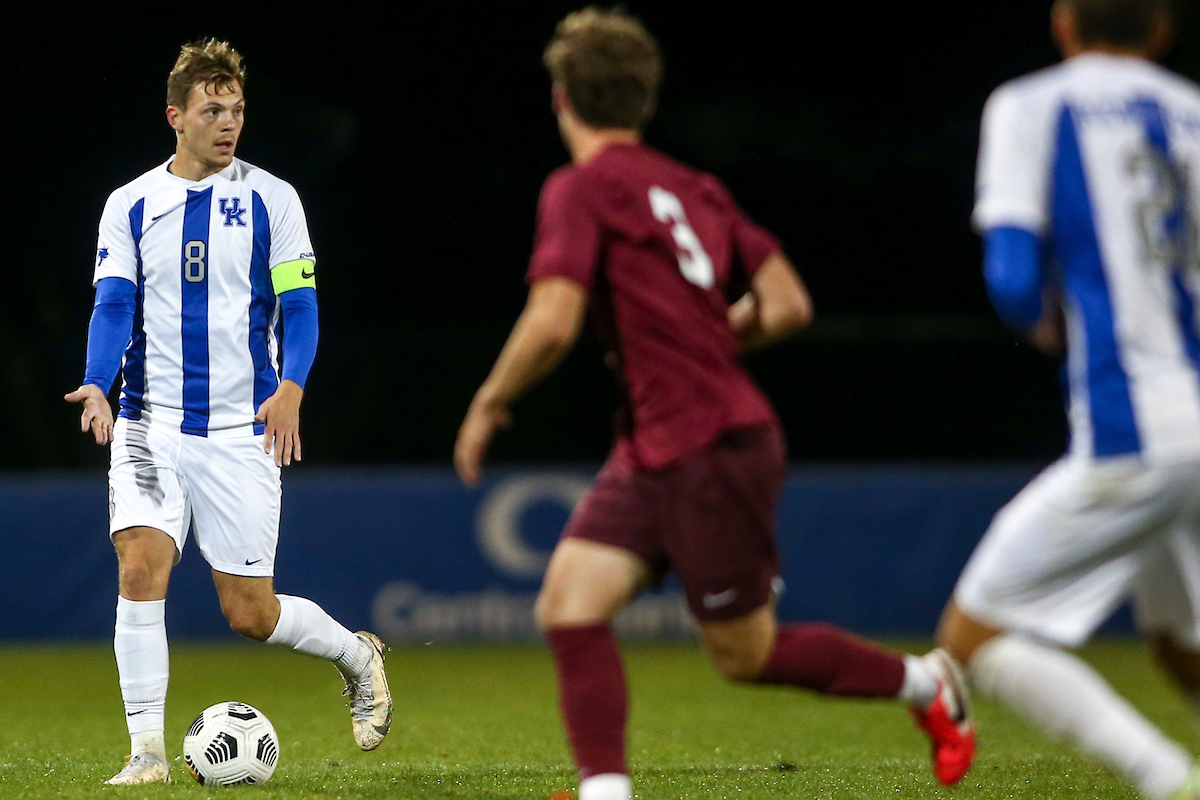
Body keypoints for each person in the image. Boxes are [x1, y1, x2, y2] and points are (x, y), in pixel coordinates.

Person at [453, 9, 975, 800]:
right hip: (666, 440)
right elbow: (790, 302)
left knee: (745, 655)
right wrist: (710, 341)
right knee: (569, 600)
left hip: (708, 443)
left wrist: (490, 399)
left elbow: (553, 320)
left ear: (562, 99)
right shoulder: (692, 185)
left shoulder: (580, 187)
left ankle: (928, 684)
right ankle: (605, 791)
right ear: (644, 101)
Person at [64, 39, 392, 785]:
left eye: (237, 109)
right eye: (213, 110)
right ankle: (146, 754)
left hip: (241, 431)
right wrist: (95, 381)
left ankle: (355, 654)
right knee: (140, 567)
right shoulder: (131, 203)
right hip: (150, 423)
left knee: (250, 614)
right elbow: (113, 302)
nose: (228, 123)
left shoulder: (274, 199)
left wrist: (294, 386)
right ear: (175, 116)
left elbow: (300, 306)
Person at [937, 1, 1200, 798]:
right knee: (1182, 648)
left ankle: (1165, 779)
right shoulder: (1192, 110)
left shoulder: (1031, 105)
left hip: (1136, 426)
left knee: (973, 636)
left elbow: (1013, 278)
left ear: (1060, 22)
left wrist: (1052, 327)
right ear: (1161, 29)